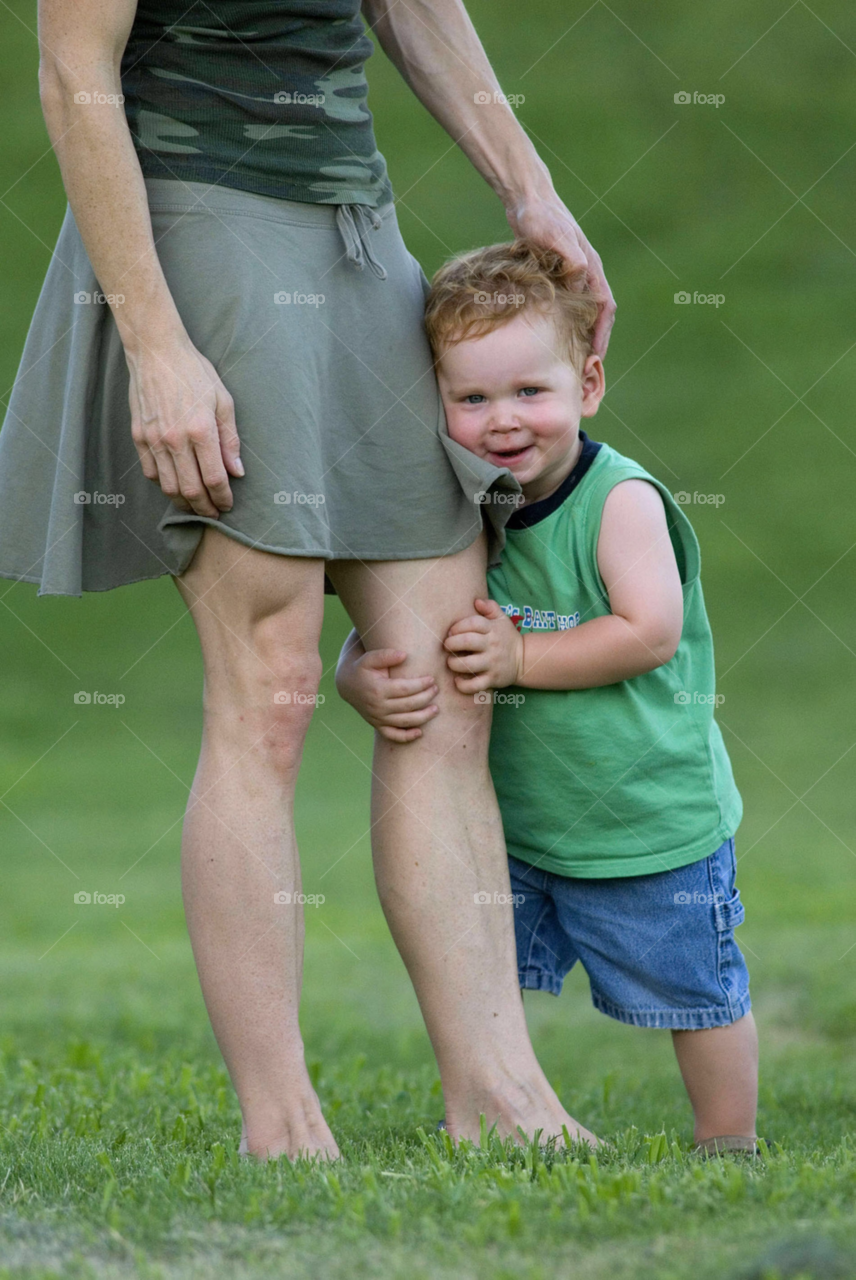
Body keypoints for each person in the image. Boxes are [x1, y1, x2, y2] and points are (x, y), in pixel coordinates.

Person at [0, 1, 616, 1159]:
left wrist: (527, 184)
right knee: (269, 690)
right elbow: (72, 65)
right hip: (197, 225)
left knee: (446, 672)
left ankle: (496, 1089)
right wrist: (158, 346)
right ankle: (280, 1122)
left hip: (353, 223)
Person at [336, 240, 759, 1153]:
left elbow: (647, 631)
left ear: (589, 384)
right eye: (471, 399)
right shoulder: (458, 510)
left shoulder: (620, 502)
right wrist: (353, 674)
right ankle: (503, 1110)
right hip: (521, 827)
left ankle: (729, 1141)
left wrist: (520, 660)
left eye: (530, 391)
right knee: (478, 972)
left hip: (650, 819)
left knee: (696, 988)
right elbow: (398, 618)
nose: (502, 422)